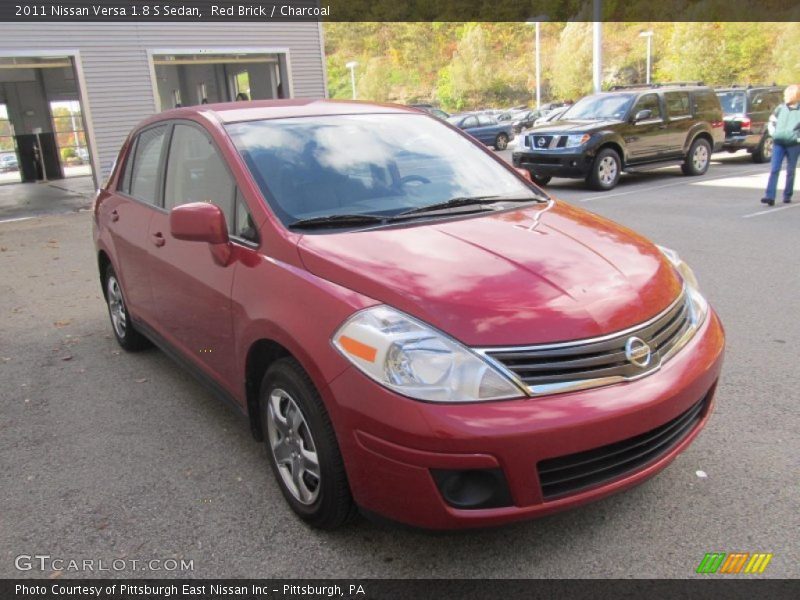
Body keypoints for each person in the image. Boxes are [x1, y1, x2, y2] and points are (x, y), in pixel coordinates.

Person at [761, 84, 800, 206]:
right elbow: (772, 122)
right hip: (779, 143)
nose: (785, 96)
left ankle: (787, 195)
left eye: (787, 94)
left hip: (794, 144)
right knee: (774, 169)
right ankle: (769, 196)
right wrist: (773, 134)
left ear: (795, 96)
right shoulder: (780, 108)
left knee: (790, 170)